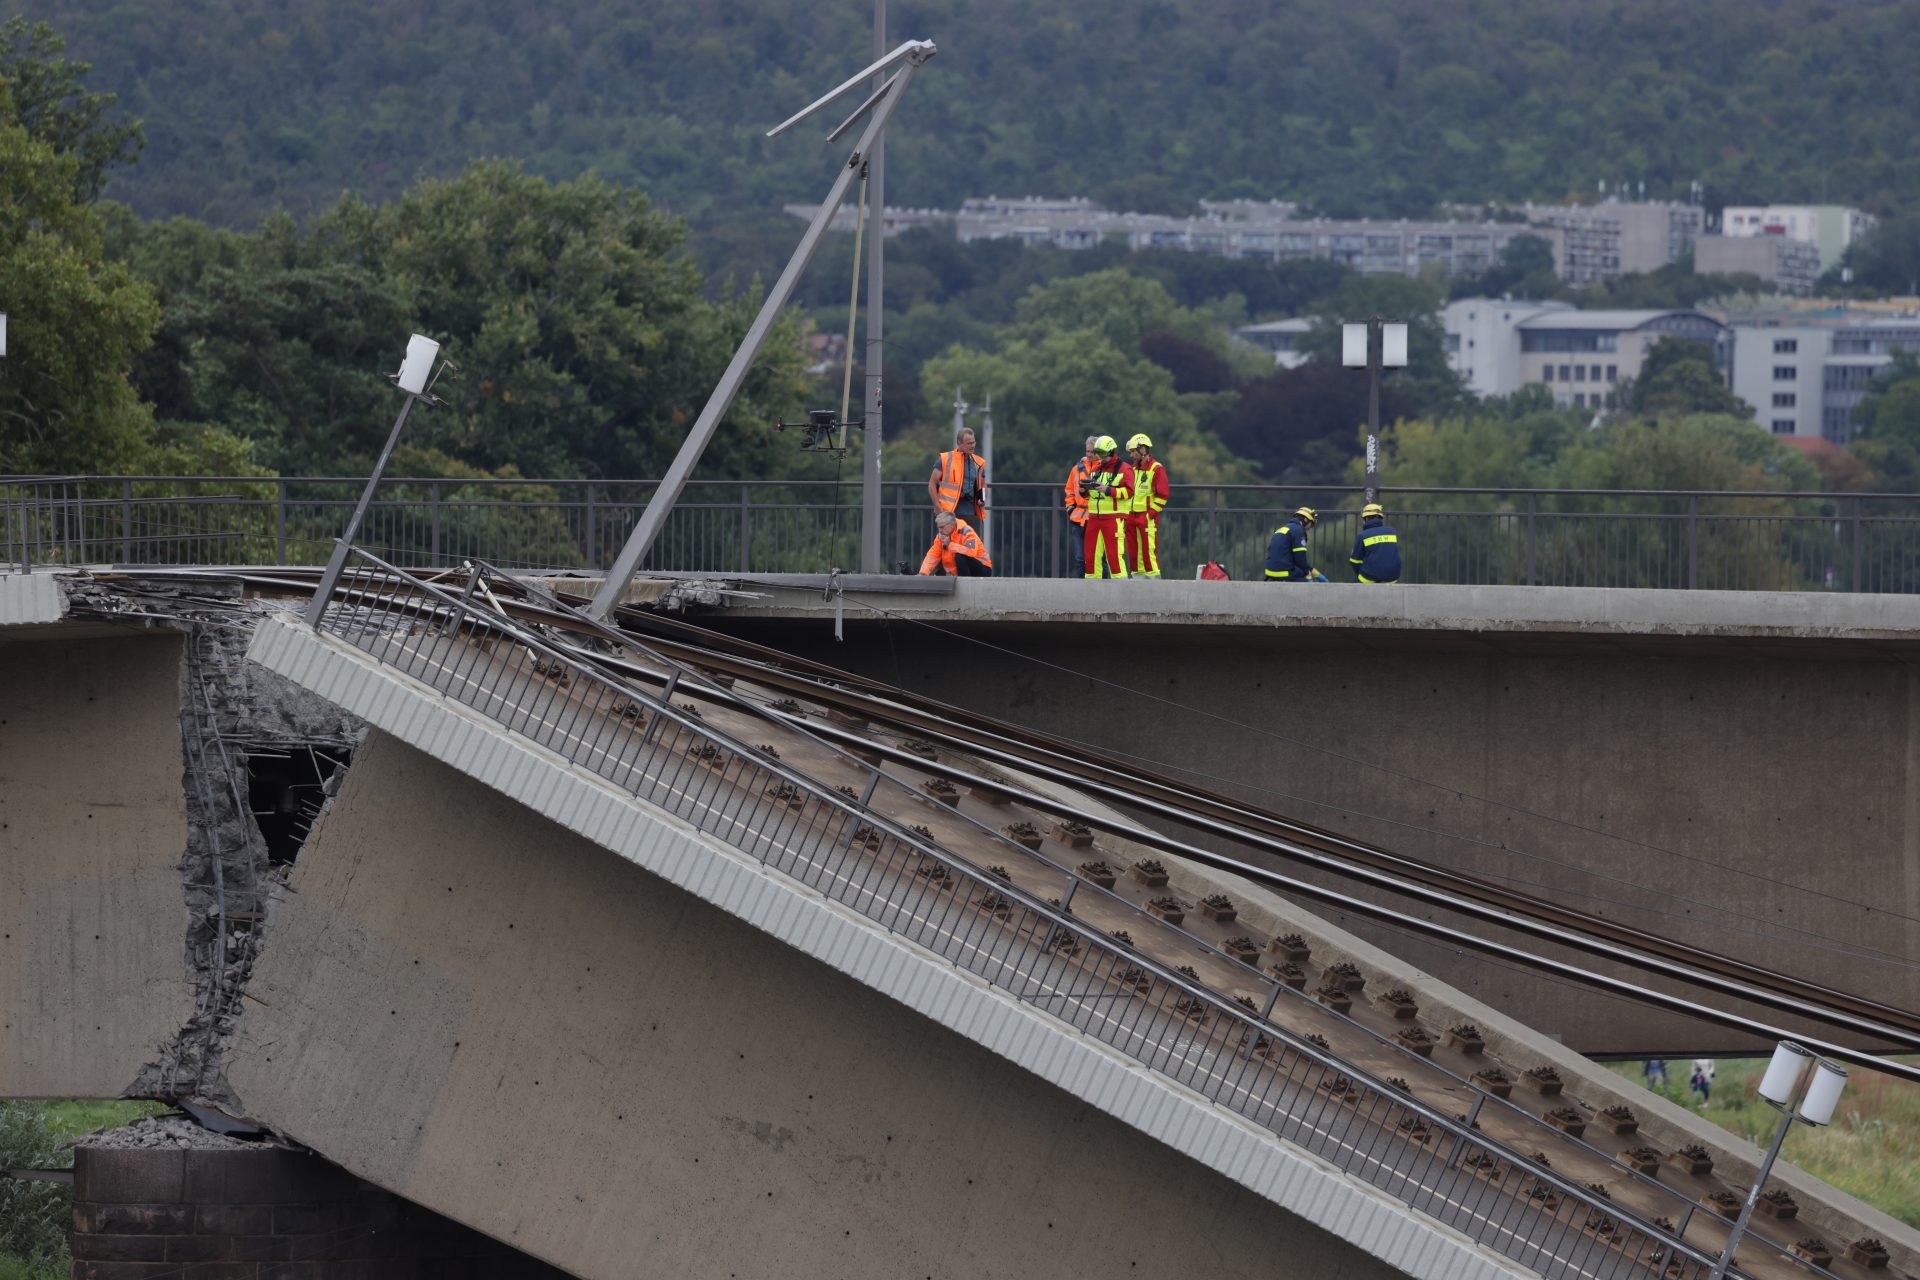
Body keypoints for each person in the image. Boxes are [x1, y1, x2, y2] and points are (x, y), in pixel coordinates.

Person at [1079, 435, 1135, 579]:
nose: (1100, 457)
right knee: (1090, 557)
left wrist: (1108, 490)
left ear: (1110, 452)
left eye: (1102, 454)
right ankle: (1092, 592)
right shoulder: (1097, 469)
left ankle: (1122, 591)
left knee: (1114, 557)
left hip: (1113, 519)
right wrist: (1084, 492)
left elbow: (1129, 492)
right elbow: (1092, 496)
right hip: (1094, 518)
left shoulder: (1125, 469)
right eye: (1098, 454)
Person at [1124, 433, 1170, 578]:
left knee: (1148, 551)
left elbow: (1163, 496)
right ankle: (1138, 584)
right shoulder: (1134, 469)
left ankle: (1154, 583)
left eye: (1133, 451)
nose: (1131, 455)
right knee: (1133, 552)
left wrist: (1150, 514)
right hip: (1131, 516)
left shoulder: (1157, 469)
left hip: (1146, 516)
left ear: (1143, 449)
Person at [929, 427, 987, 526]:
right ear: (959, 443)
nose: (972, 446)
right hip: (948, 514)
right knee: (949, 542)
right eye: (969, 443)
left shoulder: (978, 463)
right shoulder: (945, 459)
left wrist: (982, 499)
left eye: (973, 442)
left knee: (970, 542)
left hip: (971, 513)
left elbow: (983, 484)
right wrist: (937, 506)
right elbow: (932, 484)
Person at [917, 511, 993, 577]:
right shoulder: (941, 536)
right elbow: (932, 556)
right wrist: (923, 573)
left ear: (952, 524)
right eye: (939, 527)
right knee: (941, 556)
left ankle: (964, 583)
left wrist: (950, 545)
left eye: (942, 527)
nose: (940, 530)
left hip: (983, 569)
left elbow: (971, 552)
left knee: (960, 556)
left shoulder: (967, 532)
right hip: (961, 572)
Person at [1063, 436, 1097, 577]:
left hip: (1095, 519)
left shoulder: (1102, 469)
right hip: (1077, 519)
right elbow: (1069, 490)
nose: (1089, 455)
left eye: (1092, 452)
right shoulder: (1076, 469)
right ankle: (1081, 590)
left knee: (1096, 559)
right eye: (1087, 451)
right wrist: (1070, 508)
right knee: (1079, 559)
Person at [1265, 507, 1326, 582]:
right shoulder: (1298, 530)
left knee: (1302, 572)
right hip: (1284, 573)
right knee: (1310, 585)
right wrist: (1309, 574)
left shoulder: (1283, 529)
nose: (1310, 528)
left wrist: (1313, 572)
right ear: (1306, 520)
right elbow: (1300, 558)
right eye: (1311, 524)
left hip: (1270, 572)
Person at [1348, 502, 1402, 583]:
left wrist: (1364, 572)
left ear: (1365, 519)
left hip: (1369, 577)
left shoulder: (1363, 536)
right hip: (1392, 578)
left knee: (1353, 588)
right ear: (1380, 517)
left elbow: (1354, 561)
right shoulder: (1392, 531)